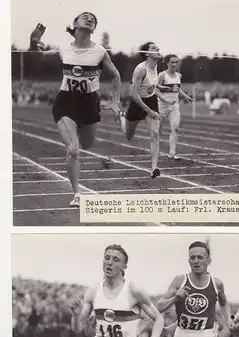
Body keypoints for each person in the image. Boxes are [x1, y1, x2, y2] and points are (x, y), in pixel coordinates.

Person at [29, 14, 121, 207]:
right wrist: (33, 41)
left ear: (94, 29)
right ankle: (77, 193)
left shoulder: (100, 51)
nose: (89, 19)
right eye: (85, 17)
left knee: (86, 144)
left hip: (89, 103)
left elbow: (116, 75)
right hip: (66, 102)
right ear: (75, 24)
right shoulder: (63, 49)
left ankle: (77, 139)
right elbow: (37, 55)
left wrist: (115, 101)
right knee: (73, 150)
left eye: (93, 20)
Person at [120, 42, 166, 178]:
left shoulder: (157, 65)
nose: (158, 49)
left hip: (151, 100)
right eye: (154, 48)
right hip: (137, 102)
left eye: (158, 47)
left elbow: (151, 86)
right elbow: (133, 94)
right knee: (128, 135)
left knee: (155, 134)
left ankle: (154, 168)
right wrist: (149, 111)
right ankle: (123, 118)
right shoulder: (140, 69)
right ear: (147, 54)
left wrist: (160, 90)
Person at [157, 54, 193, 160]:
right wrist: (166, 100)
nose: (174, 64)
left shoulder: (179, 76)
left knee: (175, 128)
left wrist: (185, 96)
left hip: (174, 106)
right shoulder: (162, 75)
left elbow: (177, 88)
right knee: (158, 131)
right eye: (172, 62)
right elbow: (156, 91)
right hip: (162, 106)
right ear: (167, 63)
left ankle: (172, 153)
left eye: (176, 62)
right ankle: (155, 150)